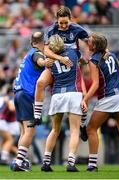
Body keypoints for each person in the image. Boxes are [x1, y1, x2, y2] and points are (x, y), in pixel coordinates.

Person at [81, 33, 119, 172]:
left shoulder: (94, 60)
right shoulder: (112, 55)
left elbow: (96, 84)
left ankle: (92, 165)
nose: (87, 43)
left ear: (95, 46)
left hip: (108, 97)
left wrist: (85, 99)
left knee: (91, 128)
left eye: (89, 41)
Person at [33, 6, 89, 129]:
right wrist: (60, 58)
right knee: (40, 83)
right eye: (61, 23)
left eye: (66, 22)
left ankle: (83, 124)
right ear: (56, 20)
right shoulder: (51, 30)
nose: (63, 25)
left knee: (84, 95)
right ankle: (37, 116)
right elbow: (46, 50)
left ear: (71, 19)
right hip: (55, 65)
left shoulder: (77, 29)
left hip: (72, 67)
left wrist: (87, 57)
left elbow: (90, 42)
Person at [39, 34, 85, 172]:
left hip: (57, 94)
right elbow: (84, 61)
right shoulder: (73, 52)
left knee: (54, 130)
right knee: (74, 130)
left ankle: (46, 162)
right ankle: (70, 163)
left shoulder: (49, 60)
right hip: (73, 93)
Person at [11, 31, 51, 171]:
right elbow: (39, 60)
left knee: (24, 131)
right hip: (26, 95)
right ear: (42, 42)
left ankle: (19, 161)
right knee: (30, 132)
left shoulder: (28, 53)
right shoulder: (36, 53)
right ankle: (18, 162)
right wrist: (46, 62)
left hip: (17, 94)